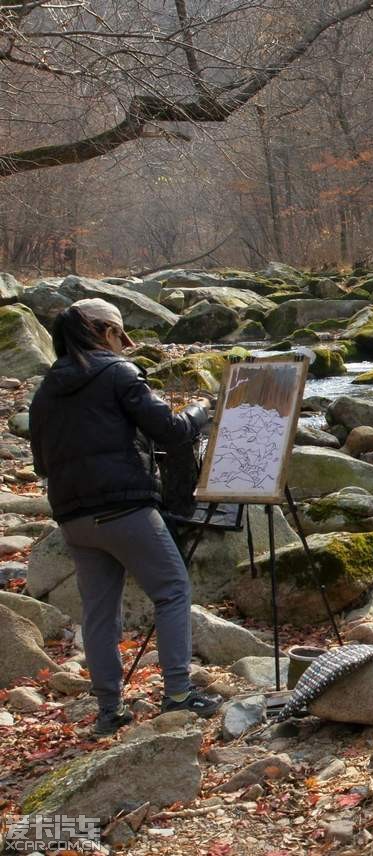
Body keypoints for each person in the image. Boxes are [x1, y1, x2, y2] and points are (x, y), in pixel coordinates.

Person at [29, 299, 222, 736]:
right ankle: (178, 693)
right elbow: (171, 432)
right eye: (120, 337)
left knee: (99, 613)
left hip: (73, 516)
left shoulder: (46, 391)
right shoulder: (117, 372)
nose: (124, 347)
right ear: (103, 332)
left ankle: (109, 710)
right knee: (172, 590)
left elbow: (42, 464)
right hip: (125, 507)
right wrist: (201, 411)